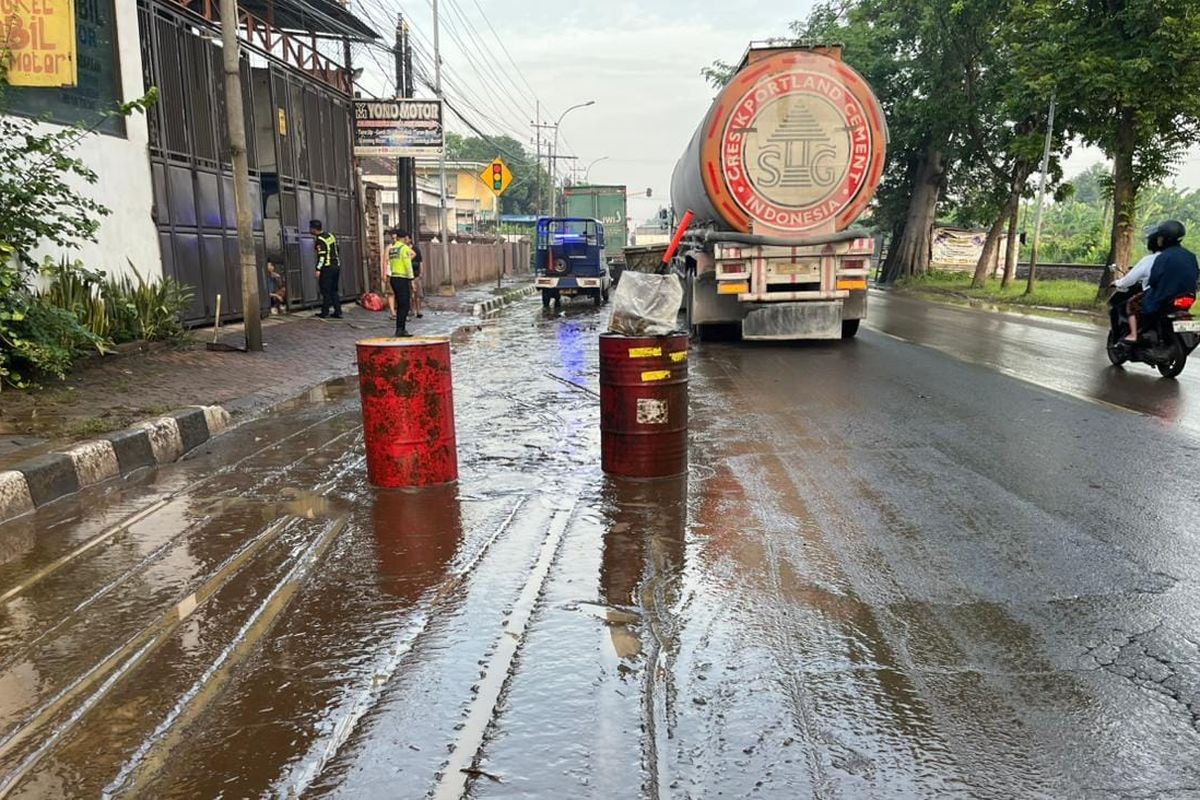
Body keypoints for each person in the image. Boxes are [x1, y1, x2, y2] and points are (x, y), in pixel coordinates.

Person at [1124, 220, 1199, 343]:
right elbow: (1196, 274)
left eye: (1160, 236)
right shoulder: (1190, 256)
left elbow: (1154, 279)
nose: (1158, 239)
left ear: (1165, 239)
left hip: (1164, 296)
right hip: (1188, 296)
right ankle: (1194, 330)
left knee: (1132, 304)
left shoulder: (1163, 256)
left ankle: (1133, 335)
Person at [385, 228, 415, 337]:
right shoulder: (403, 248)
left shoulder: (393, 249)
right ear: (404, 238)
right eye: (406, 237)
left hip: (394, 277)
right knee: (404, 305)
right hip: (402, 278)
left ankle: (400, 328)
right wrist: (412, 281)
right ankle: (401, 329)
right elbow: (408, 265)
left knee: (400, 304)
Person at [311, 219, 341, 319]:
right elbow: (337, 249)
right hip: (336, 266)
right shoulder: (330, 235)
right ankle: (338, 311)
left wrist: (318, 269)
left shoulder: (320, 240)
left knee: (325, 291)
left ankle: (325, 312)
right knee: (334, 290)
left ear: (314, 229)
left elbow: (322, 256)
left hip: (327, 268)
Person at [407, 232, 424, 319]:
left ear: (410, 239)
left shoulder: (415, 249)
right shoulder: (403, 249)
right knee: (410, 295)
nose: (405, 240)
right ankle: (412, 310)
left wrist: (421, 272)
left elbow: (420, 261)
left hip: (416, 274)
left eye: (407, 239)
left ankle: (418, 310)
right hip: (407, 275)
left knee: (418, 294)